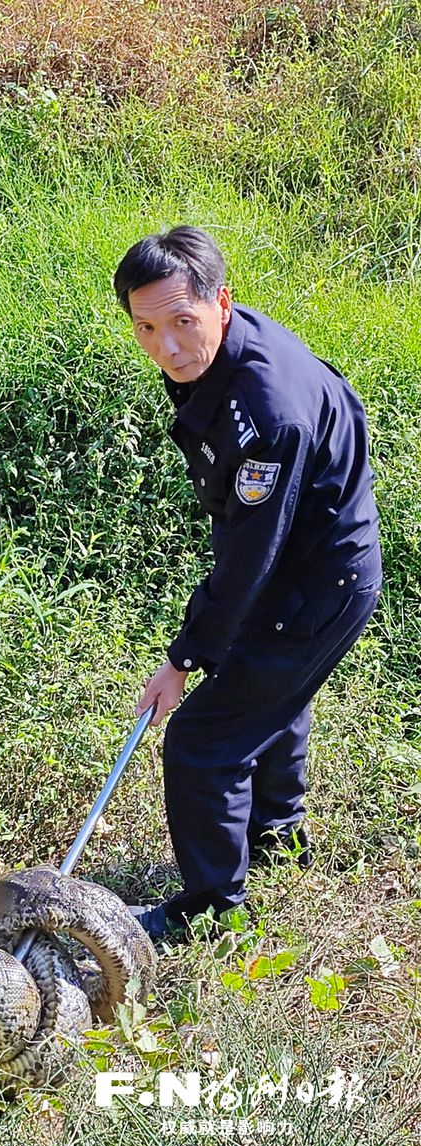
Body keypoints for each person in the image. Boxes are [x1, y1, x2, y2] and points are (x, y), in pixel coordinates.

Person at [113, 226, 382, 941]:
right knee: (270, 696)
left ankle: (214, 908)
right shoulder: (225, 354)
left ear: (220, 304)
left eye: (182, 323)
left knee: (204, 740)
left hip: (318, 583)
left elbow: (244, 564)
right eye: (146, 327)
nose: (166, 348)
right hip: (308, 564)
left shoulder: (265, 414)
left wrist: (183, 658)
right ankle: (278, 843)